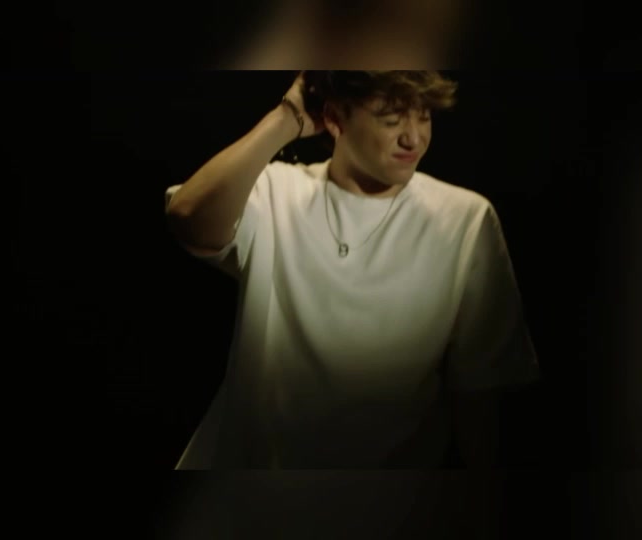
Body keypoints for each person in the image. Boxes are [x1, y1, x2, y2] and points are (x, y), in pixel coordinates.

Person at [164, 71, 539, 469]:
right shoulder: (277, 191)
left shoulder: (463, 218)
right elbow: (188, 215)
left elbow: (480, 397)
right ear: (335, 118)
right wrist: (286, 117)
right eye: (391, 120)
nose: (414, 138)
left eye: (424, 116)